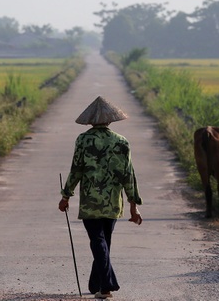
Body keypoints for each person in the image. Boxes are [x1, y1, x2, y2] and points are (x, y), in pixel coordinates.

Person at [59, 96, 143, 300]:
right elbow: (128, 175)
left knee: (98, 241)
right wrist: (134, 206)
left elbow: (76, 170)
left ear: (90, 121)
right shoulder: (122, 142)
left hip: (90, 202)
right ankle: (95, 283)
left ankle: (106, 287)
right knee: (104, 242)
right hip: (113, 203)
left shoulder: (83, 140)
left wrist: (66, 195)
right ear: (110, 120)